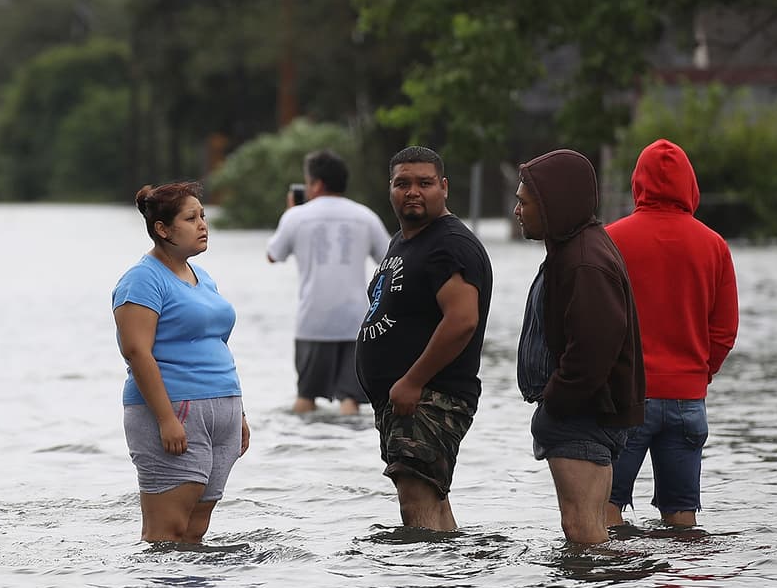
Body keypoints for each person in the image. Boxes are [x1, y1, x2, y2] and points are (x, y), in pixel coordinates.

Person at [355, 146, 493, 531]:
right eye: (403, 183)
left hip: (431, 396)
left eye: (425, 183)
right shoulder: (404, 240)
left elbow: (462, 320)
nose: (413, 191)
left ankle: (421, 572)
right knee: (431, 502)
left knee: (417, 506)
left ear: (444, 187)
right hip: (407, 401)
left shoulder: (449, 244)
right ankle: (448, 568)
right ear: (390, 188)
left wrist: (413, 381)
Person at [513, 149, 645, 545]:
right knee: (591, 529)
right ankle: (613, 583)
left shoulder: (584, 261)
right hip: (582, 413)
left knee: (582, 530)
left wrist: (556, 403)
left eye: (524, 202)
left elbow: (593, 350)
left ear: (553, 204)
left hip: (582, 415)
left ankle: (613, 586)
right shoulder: (573, 250)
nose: (517, 211)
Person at [604, 139, 738, 527]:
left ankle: (619, 569)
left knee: (603, 511)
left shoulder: (610, 240)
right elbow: (725, 330)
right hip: (688, 399)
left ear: (638, 182)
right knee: (682, 518)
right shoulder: (714, 245)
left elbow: (598, 321)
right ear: (690, 185)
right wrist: (697, 374)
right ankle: (684, 569)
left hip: (627, 398)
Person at [113, 182, 251, 543]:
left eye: (203, 216)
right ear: (163, 229)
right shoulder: (142, 279)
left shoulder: (203, 278)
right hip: (175, 411)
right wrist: (166, 419)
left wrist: (239, 415)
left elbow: (217, 344)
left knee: (195, 531)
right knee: (166, 533)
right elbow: (136, 351)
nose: (203, 224)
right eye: (191, 219)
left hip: (221, 412)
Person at [267, 150, 390, 415]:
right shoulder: (366, 216)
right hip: (356, 322)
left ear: (317, 184)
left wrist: (290, 213)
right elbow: (390, 260)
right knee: (351, 401)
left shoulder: (296, 216)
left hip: (313, 322)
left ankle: (300, 441)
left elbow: (273, 255)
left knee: (305, 398)